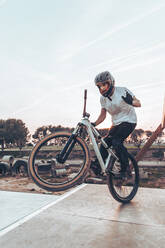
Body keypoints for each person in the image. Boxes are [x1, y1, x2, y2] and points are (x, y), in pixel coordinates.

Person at [91, 71, 141, 178]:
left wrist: (131, 102)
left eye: (104, 84)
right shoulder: (103, 99)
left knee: (116, 141)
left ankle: (125, 170)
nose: (102, 88)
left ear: (111, 82)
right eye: (99, 86)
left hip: (129, 121)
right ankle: (99, 167)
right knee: (105, 142)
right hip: (116, 124)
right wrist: (94, 124)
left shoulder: (122, 90)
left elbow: (139, 103)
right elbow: (103, 115)